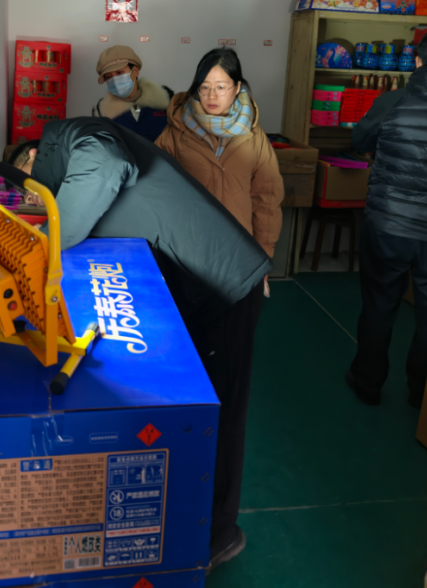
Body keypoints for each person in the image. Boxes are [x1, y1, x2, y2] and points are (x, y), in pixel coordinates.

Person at [5, 117, 272, 571]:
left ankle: (219, 536)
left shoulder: (70, 135)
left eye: (28, 187)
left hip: (225, 287)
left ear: (32, 156)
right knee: (193, 408)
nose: (34, 199)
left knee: (221, 415)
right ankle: (185, 520)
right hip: (196, 284)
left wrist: (44, 242)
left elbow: (108, 161)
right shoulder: (66, 163)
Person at [155, 47, 284, 566]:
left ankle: (220, 527)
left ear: (238, 88)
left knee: (230, 398)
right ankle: (175, 498)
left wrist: (262, 261)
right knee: (183, 388)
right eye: (205, 87)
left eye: (221, 87)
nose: (212, 96)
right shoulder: (173, 134)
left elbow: (267, 201)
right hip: (186, 273)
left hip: (237, 277)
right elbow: (155, 194)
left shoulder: (254, 139)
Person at [346, 27, 427, 409]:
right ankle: (423, 392)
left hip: (389, 224)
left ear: (418, 60)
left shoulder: (394, 100)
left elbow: (360, 141)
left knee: (379, 305)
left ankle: (367, 383)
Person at [92, 45, 173, 141]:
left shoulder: (167, 99)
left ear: (135, 71)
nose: (115, 80)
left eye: (119, 72)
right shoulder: (101, 111)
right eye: (109, 77)